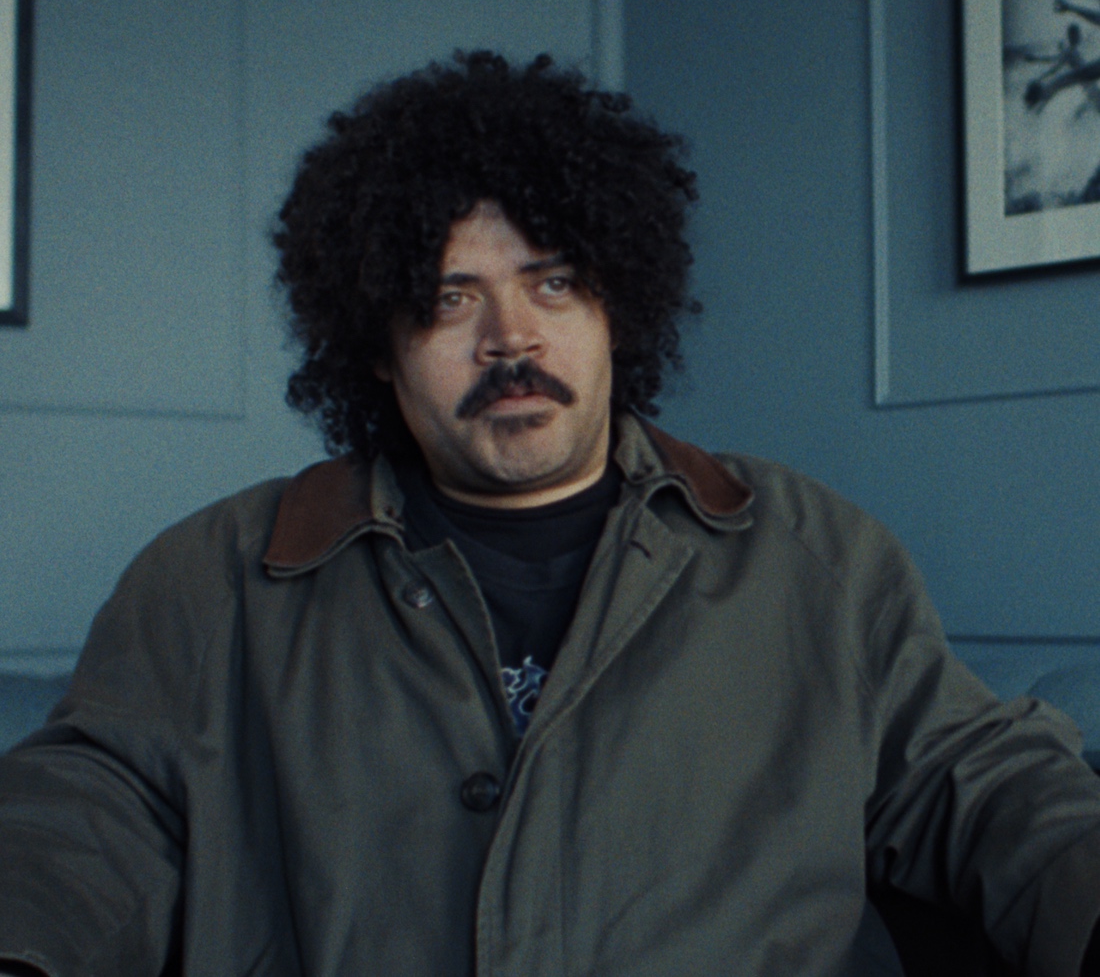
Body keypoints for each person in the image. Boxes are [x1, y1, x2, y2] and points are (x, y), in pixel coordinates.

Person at [0, 50, 1099, 976]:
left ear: (621, 304)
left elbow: (984, 779)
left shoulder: (814, 553)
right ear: (376, 350)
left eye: (554, 281)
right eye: (447, 297)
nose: (509, 338)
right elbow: (89, 805)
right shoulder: (218, 574)